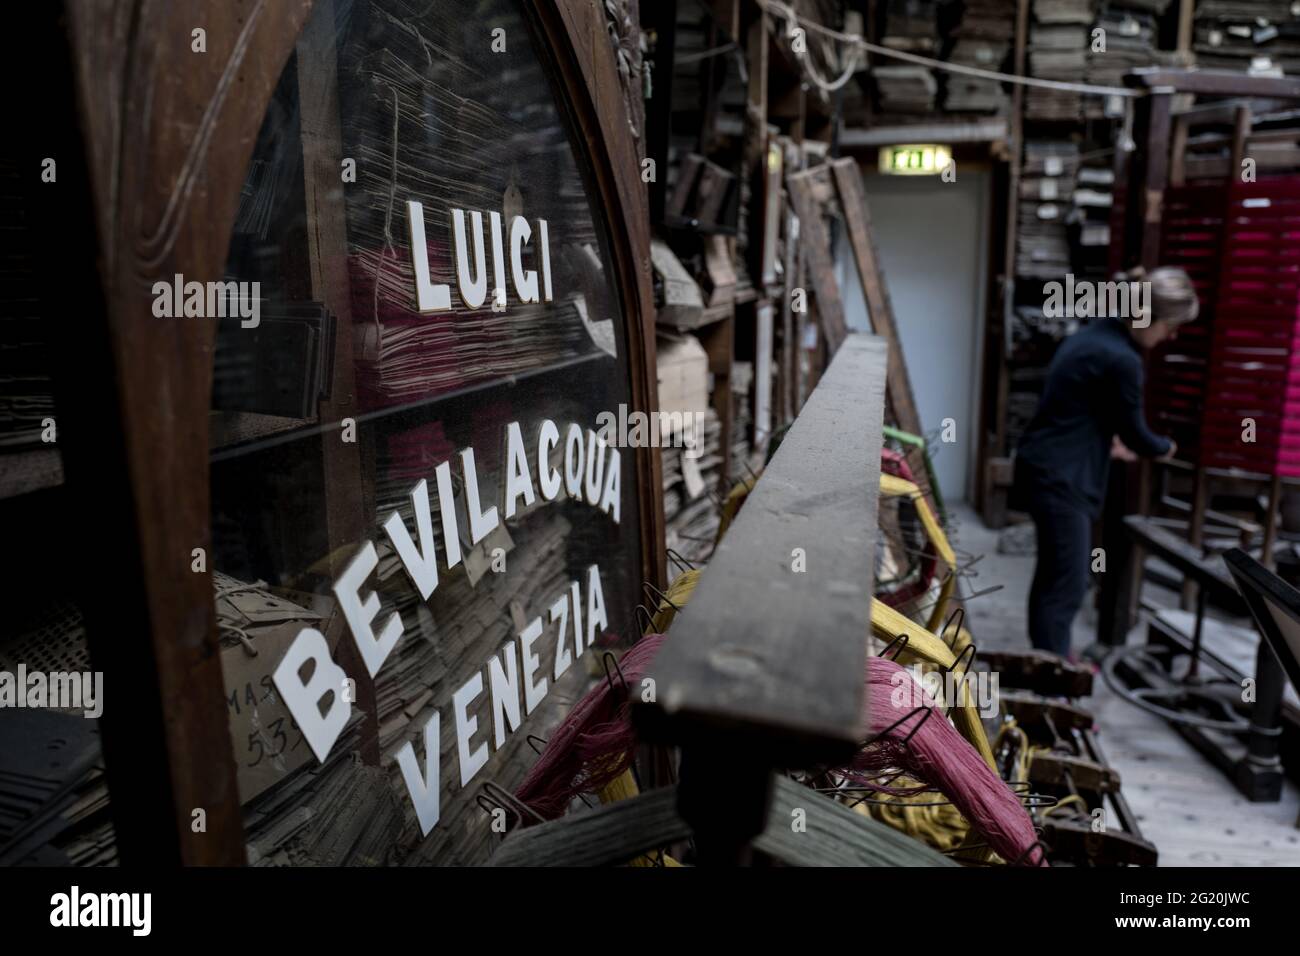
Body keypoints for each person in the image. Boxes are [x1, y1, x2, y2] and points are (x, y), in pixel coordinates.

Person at [1011, 267, 1199, 658]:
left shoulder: (1096, 334)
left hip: (1046, 465)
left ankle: (1046, 662)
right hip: (1061, 478)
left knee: (1055, 577)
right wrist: (1163, 447)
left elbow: (1081, 409)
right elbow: (1136, 433)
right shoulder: (1122, 359)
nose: (1171, 335)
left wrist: (1103, 439)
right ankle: (1053, 679)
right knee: (1068, 583)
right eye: (1170, 326)